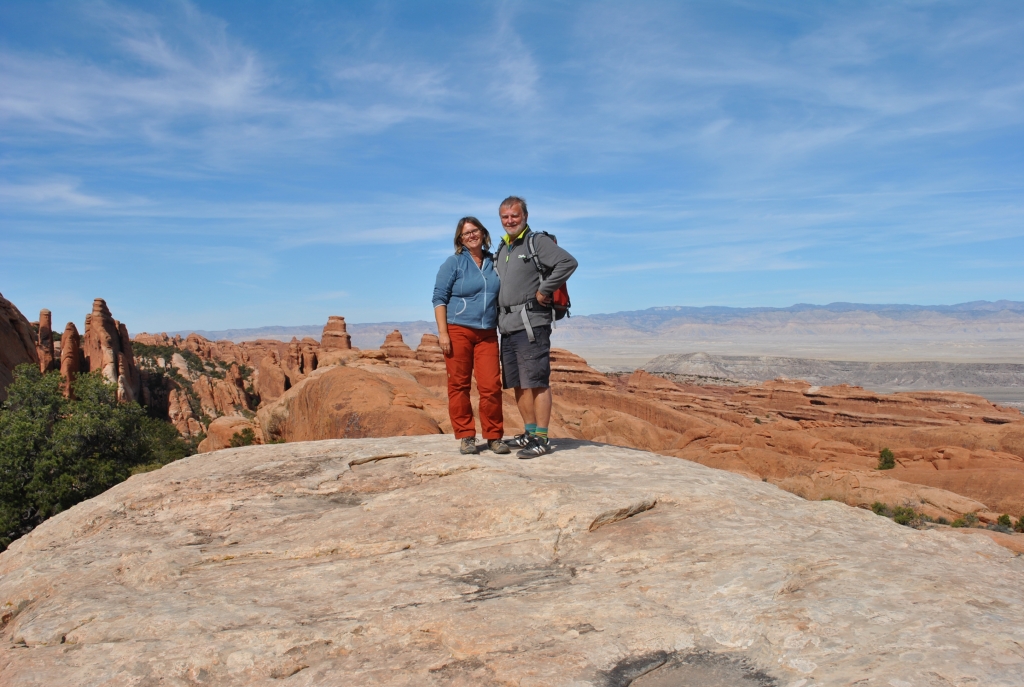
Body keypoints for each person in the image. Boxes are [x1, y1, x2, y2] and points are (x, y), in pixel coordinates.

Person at [493, 196, 578, 459]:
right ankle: (530, 432)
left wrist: (544, 290)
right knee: (518, 383)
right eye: (505, 217)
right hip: (507, 327)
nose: (510, 221)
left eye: (514, 215)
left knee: (537, 381)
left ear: (525, 217)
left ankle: (541, 437)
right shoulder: (503, 247)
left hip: (531, 324)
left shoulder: (536, 241)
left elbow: (568, 262)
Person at [432, 217, 510, 455]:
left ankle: (494, 436)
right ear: (460, 239)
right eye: (466, 233)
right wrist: (443, 333)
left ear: (482, 232)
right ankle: (466, 436)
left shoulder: (493, 262)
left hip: (487, 333)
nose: (471, 236)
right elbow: (439, 298)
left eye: (474, 231)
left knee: (491, 386)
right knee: (459, 385)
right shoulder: (454, 263)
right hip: (458, 330)